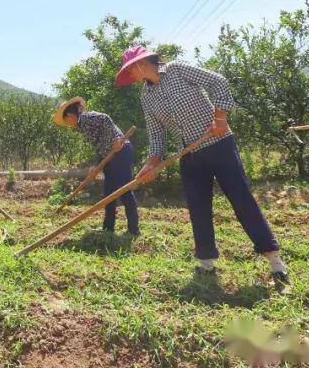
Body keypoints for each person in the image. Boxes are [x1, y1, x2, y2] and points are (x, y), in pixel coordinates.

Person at [116, 45, 290, 289]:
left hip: (219, 143)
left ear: (140, 65)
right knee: (198, 208)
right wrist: (150, 165)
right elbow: (157, 134)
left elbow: (218, 81)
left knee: (241, 199)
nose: (131, 76)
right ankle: (206, 262)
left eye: (130, 70)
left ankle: (274, 261)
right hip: (190, 153)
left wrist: (220, 118)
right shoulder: (146, 97)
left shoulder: (176, 70)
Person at [53, 97, 140, 236]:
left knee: (124, 190)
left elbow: (105, 119)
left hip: (121, 151)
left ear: (70, 116)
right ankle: (108, 228)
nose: (68, 124)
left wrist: (115, 139)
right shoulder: (81, 126)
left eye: (66, 121)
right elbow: (99, 144)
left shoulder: (88, 118)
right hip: (109, 156)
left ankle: (134, 230)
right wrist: (97, 166)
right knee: (108, 192)